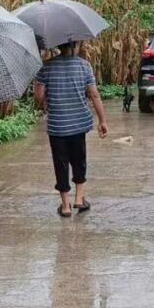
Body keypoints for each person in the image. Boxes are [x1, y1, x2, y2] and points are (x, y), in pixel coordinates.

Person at [34, 41, 109, 217]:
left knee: (60, 163)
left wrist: (44, 95)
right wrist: (102, 121)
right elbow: (94, 94)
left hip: (57, 125)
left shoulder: (46, 67)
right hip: (78, 124)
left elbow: (39, 97)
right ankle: (79, 199)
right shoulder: (84, 65)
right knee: (79, 160)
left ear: (58, 45)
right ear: (75, 45)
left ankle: (65, 206)